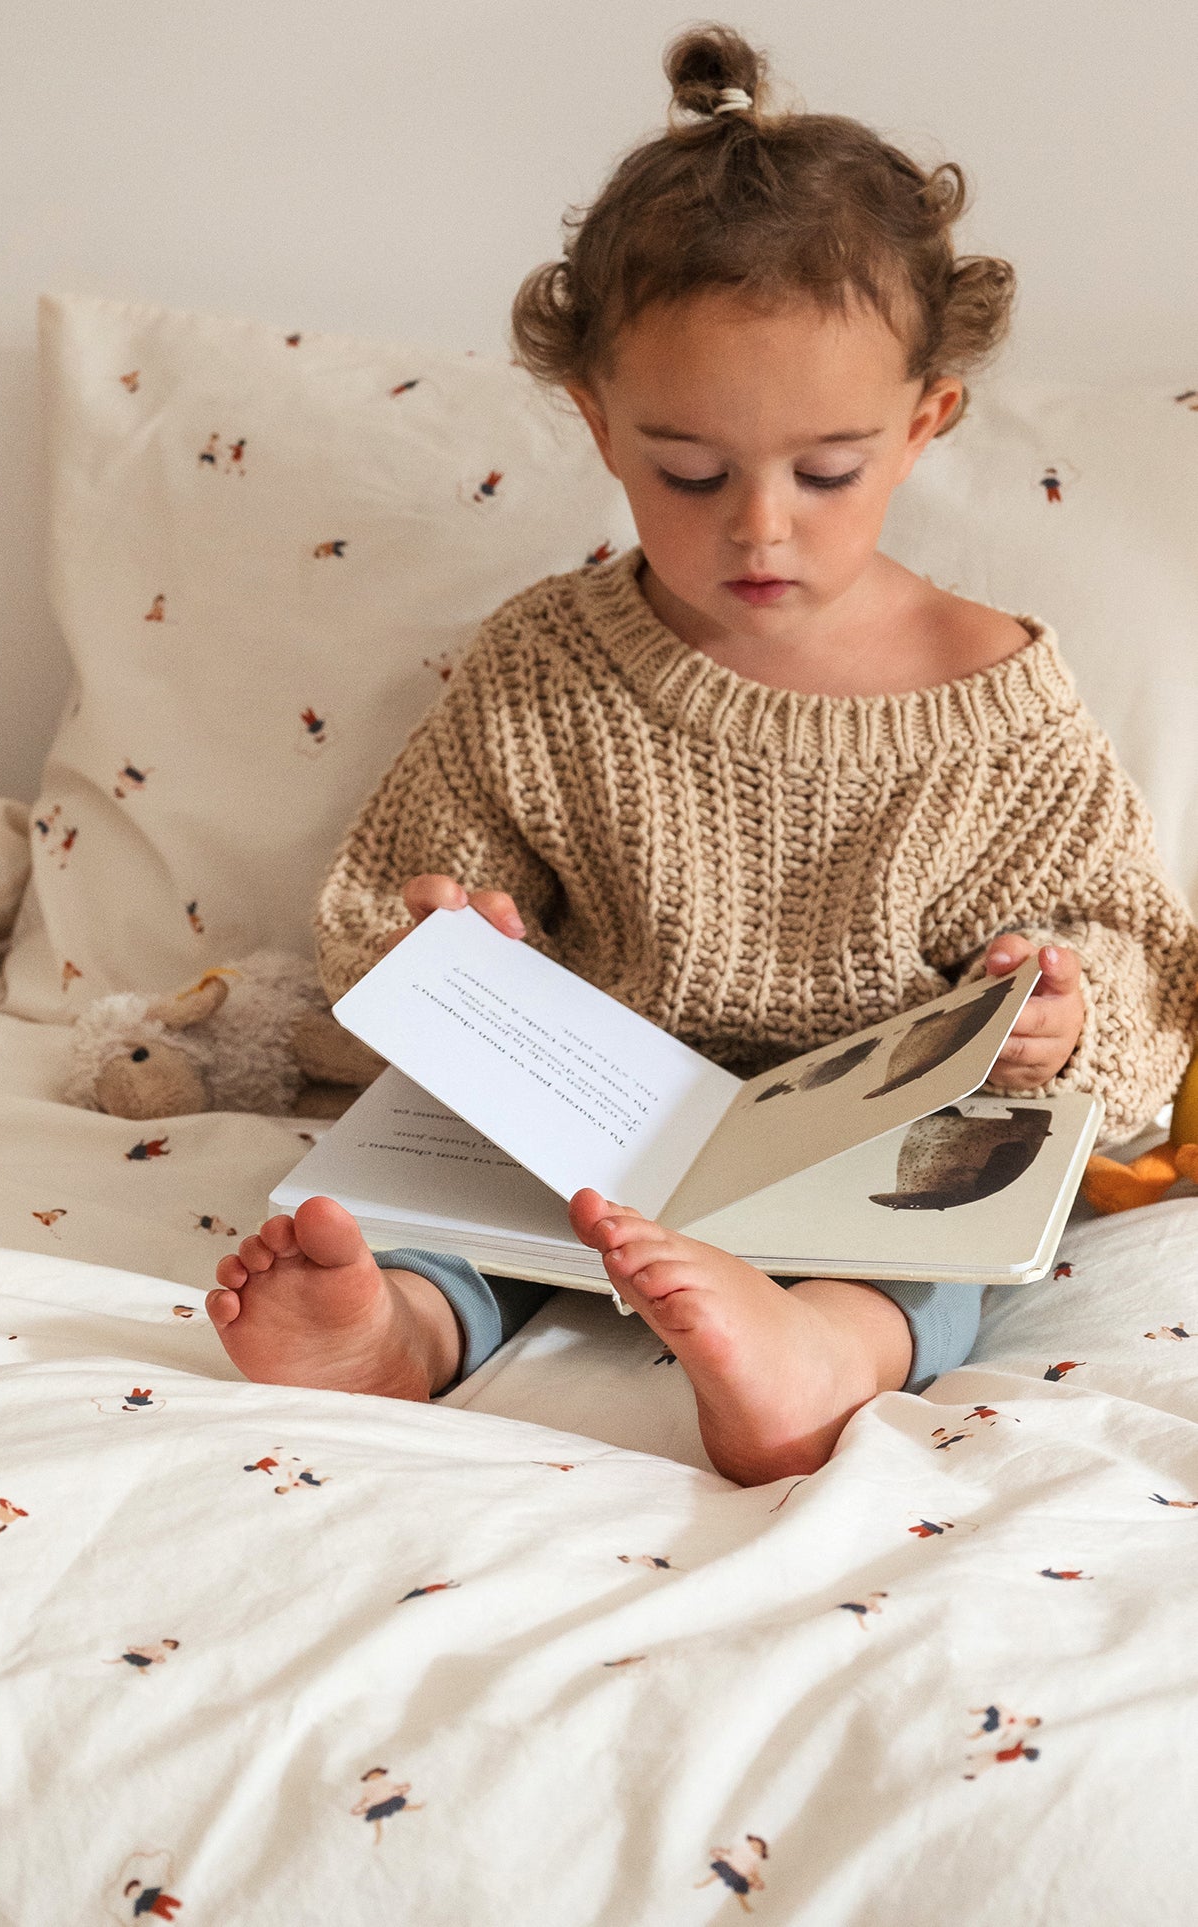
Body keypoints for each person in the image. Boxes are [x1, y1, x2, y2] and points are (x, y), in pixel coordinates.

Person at [206, 27, 1198, 1486]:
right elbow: (386, 909)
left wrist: (1060, 1011)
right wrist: (458, 954)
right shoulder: (546, 662)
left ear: (925, 422)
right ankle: (397, 1328)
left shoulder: (998, 701)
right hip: (594, 1135)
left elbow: (1139, 963)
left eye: (826, 470)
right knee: (448, 1190)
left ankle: (812, 1354)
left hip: (863, 1162)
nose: (759, 526)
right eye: (689, 471)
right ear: (598, 424)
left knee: (953, 1256)